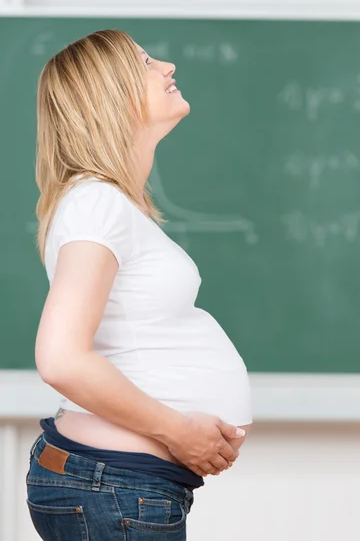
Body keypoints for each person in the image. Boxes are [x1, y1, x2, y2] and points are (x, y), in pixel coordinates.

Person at [25, 29, 253, 540]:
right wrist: (178, 431)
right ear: (111, 95)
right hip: (114, 485)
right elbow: (60, 358)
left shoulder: (104, 203)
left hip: (119, 486)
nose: (168, 66)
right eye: (147, 62)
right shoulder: (96, 203)